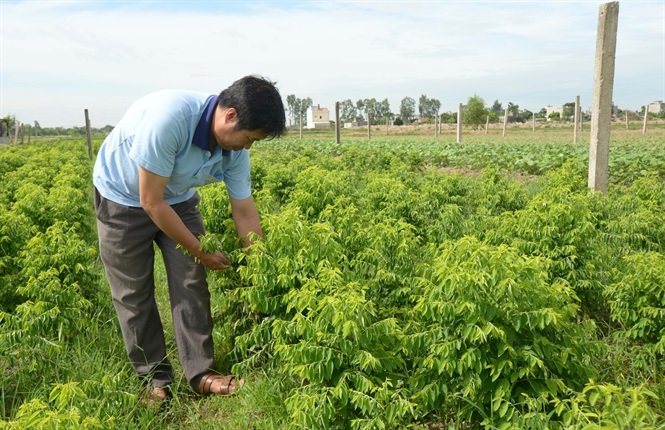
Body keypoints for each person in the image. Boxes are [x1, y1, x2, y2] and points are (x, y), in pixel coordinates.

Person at [92, 75, 286, 404]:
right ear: (230, 116)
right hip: (123, 197)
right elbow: (151, 201)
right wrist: (202, 251)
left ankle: (201, 373)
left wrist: (259, 266)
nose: (248, 147)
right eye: (249, 138)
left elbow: (245, 212)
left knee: (190, 280)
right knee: (133, 292)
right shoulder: (169, 120)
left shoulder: (235, 150)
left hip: (178, 198)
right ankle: (153, 378)